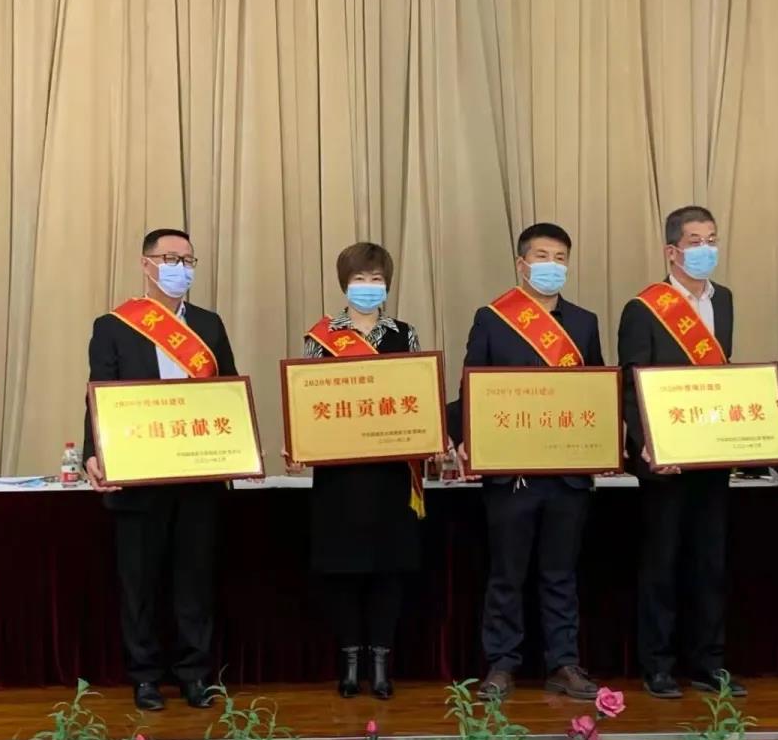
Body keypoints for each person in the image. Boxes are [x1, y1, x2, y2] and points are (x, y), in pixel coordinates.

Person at [447, 222, 604, 701]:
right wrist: (465, 437)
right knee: (507, 575)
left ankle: (564, 663)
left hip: (567, 475)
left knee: (561, 575)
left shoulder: (584, 323)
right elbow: (471, 388)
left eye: (560, 258)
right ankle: (501, 665)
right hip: (510, 474)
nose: (551, 265)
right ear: (521, 264)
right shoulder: (493, 319)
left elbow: (598, 390)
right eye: (541, 256)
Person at [82, 228, 237, 711]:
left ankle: (195, 674)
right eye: (170, 258)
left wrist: (238, 451)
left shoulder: (209, 325)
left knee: (195, 580)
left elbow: (228, 392)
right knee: (140, 584)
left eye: (188, 260)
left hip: (197, 477)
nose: (180, 268)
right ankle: (145, 676)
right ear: (146, 264)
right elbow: (98, 394)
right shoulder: (114, 326)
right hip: (139, 476)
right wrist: (94, 452)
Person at [618, 205, 745, 700]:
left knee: (710, 563)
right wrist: (647, 444)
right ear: (672, 251)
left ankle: (709, 663)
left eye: (711, 239)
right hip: (664, 461)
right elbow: (630, 385)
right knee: (662, 565)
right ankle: (658, 664)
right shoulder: (644, 308)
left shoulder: (724, 300)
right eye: (695, 241)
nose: (705, 249)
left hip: (710, 455)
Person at [287, 243, 424, 701]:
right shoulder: (321, 338)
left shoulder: (404, 334)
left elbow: (418, 396)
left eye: (376, 279)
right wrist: (299, 443)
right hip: (340, 477)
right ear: (344, 284)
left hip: (390, 474)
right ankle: (349, 662)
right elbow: (307, 400)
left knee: (389, 569)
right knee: (342, 569)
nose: (368, 287)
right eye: (359, 279)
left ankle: (381, 663)